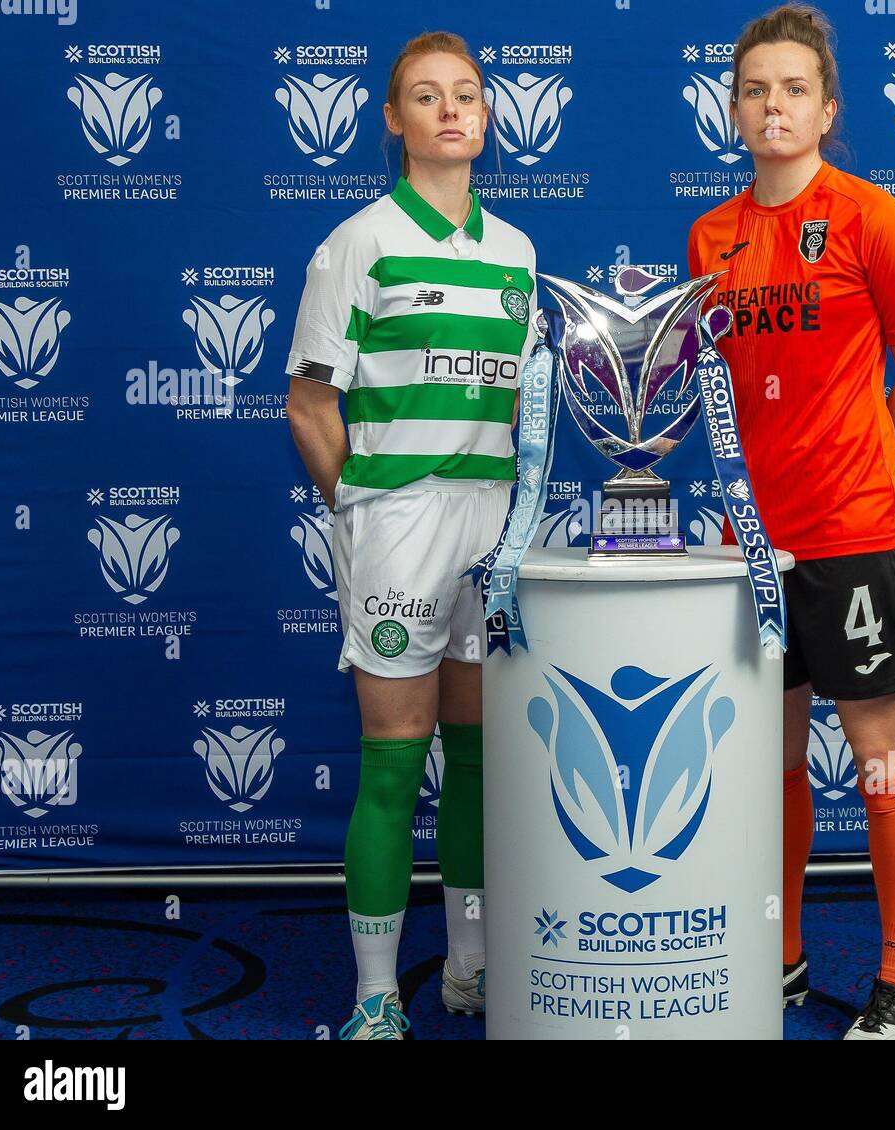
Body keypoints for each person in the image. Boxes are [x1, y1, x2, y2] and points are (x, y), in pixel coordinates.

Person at [687, 4, 895, 1039]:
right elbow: (716, 393)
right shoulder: (710, 234)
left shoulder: (876, 219)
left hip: (851, 535)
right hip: (754, 545)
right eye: (755, 89)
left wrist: (857, 462)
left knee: (880, 754)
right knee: (774, 758)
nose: (773, 105)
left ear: (826, 108)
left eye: (793, 88)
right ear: (733, 109)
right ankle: (781, 955)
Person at [285, 32, 536, 1039]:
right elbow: (308, 402)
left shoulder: (517, 251)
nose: (449, 111)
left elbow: (531, 404)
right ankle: (376, 992)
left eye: (466, 95)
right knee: (396, 754)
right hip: (399, 518)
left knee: (476, 755)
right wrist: (365, 508)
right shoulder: (359, 241)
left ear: (485, 116)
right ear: (393, 121)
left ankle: (469, 964)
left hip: (492, 517)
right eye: (425, 97)